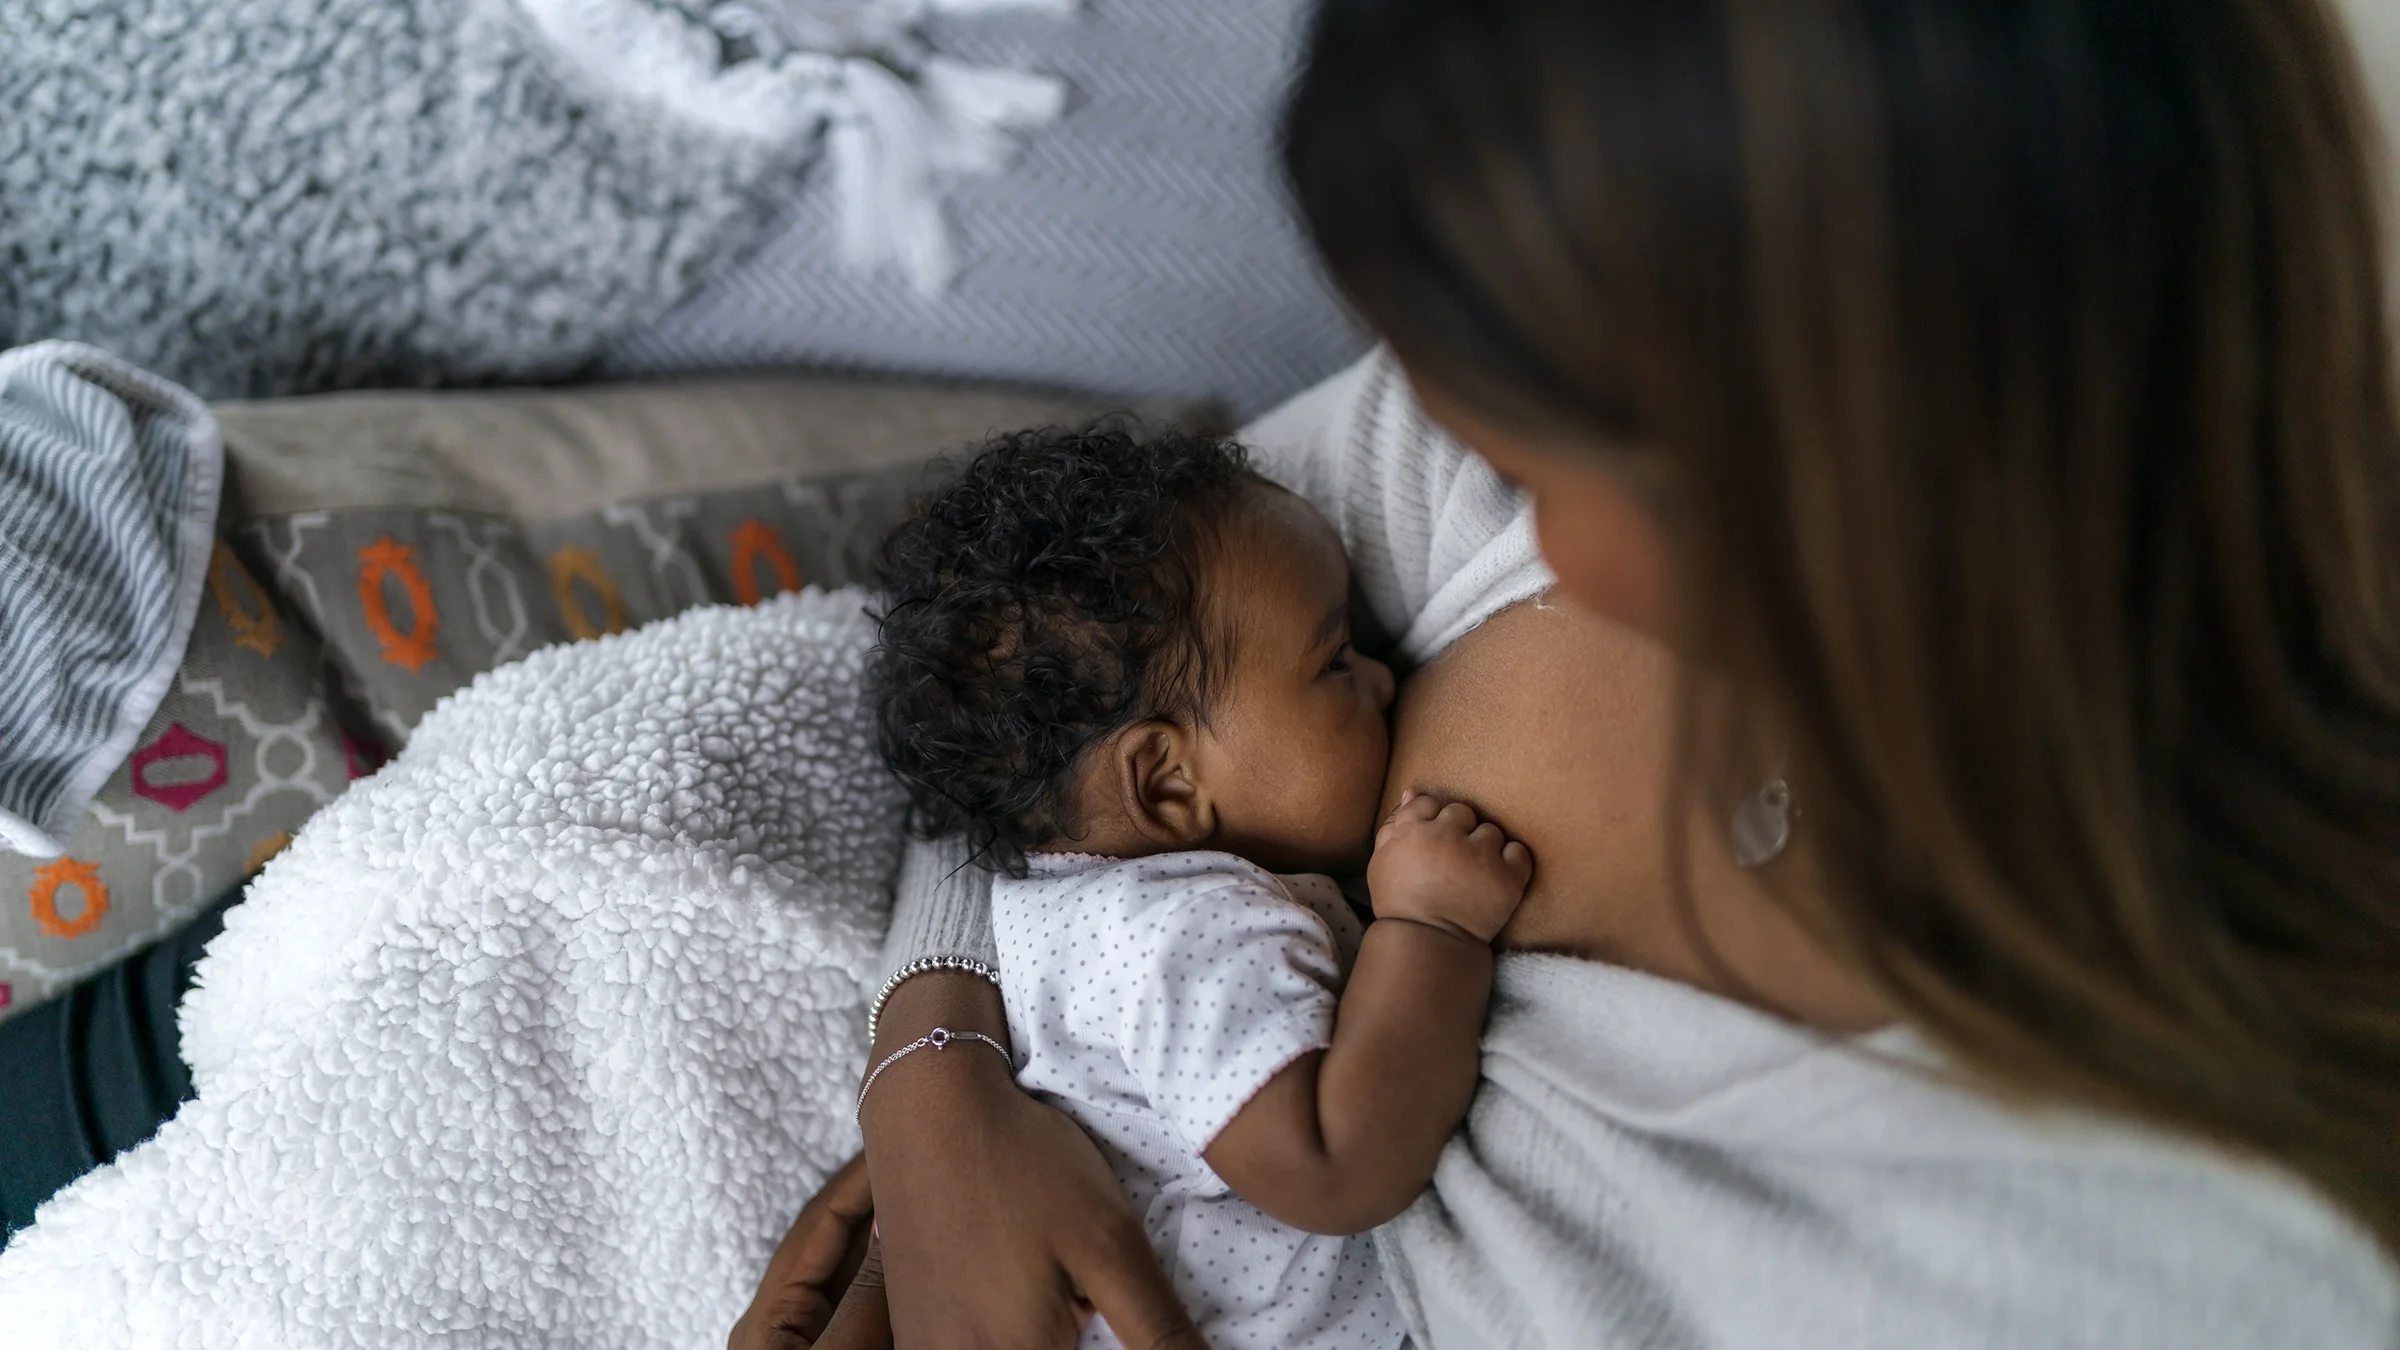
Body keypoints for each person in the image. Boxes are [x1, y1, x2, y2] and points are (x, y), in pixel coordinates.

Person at [734, 1, 2400, 1346]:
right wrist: (937, 1080)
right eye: (1473, 430)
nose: (1552, 547)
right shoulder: (1534, 367)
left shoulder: (2154, 1243)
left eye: (1572, 461)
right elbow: (1044, 684)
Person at [861, 426, 1533, 1348]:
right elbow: (1335, 1166)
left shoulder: (1061, 908)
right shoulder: (1191, 934)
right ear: (1169, 784)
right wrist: (1435, 930)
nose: (1382, 679)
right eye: (1334, 661)